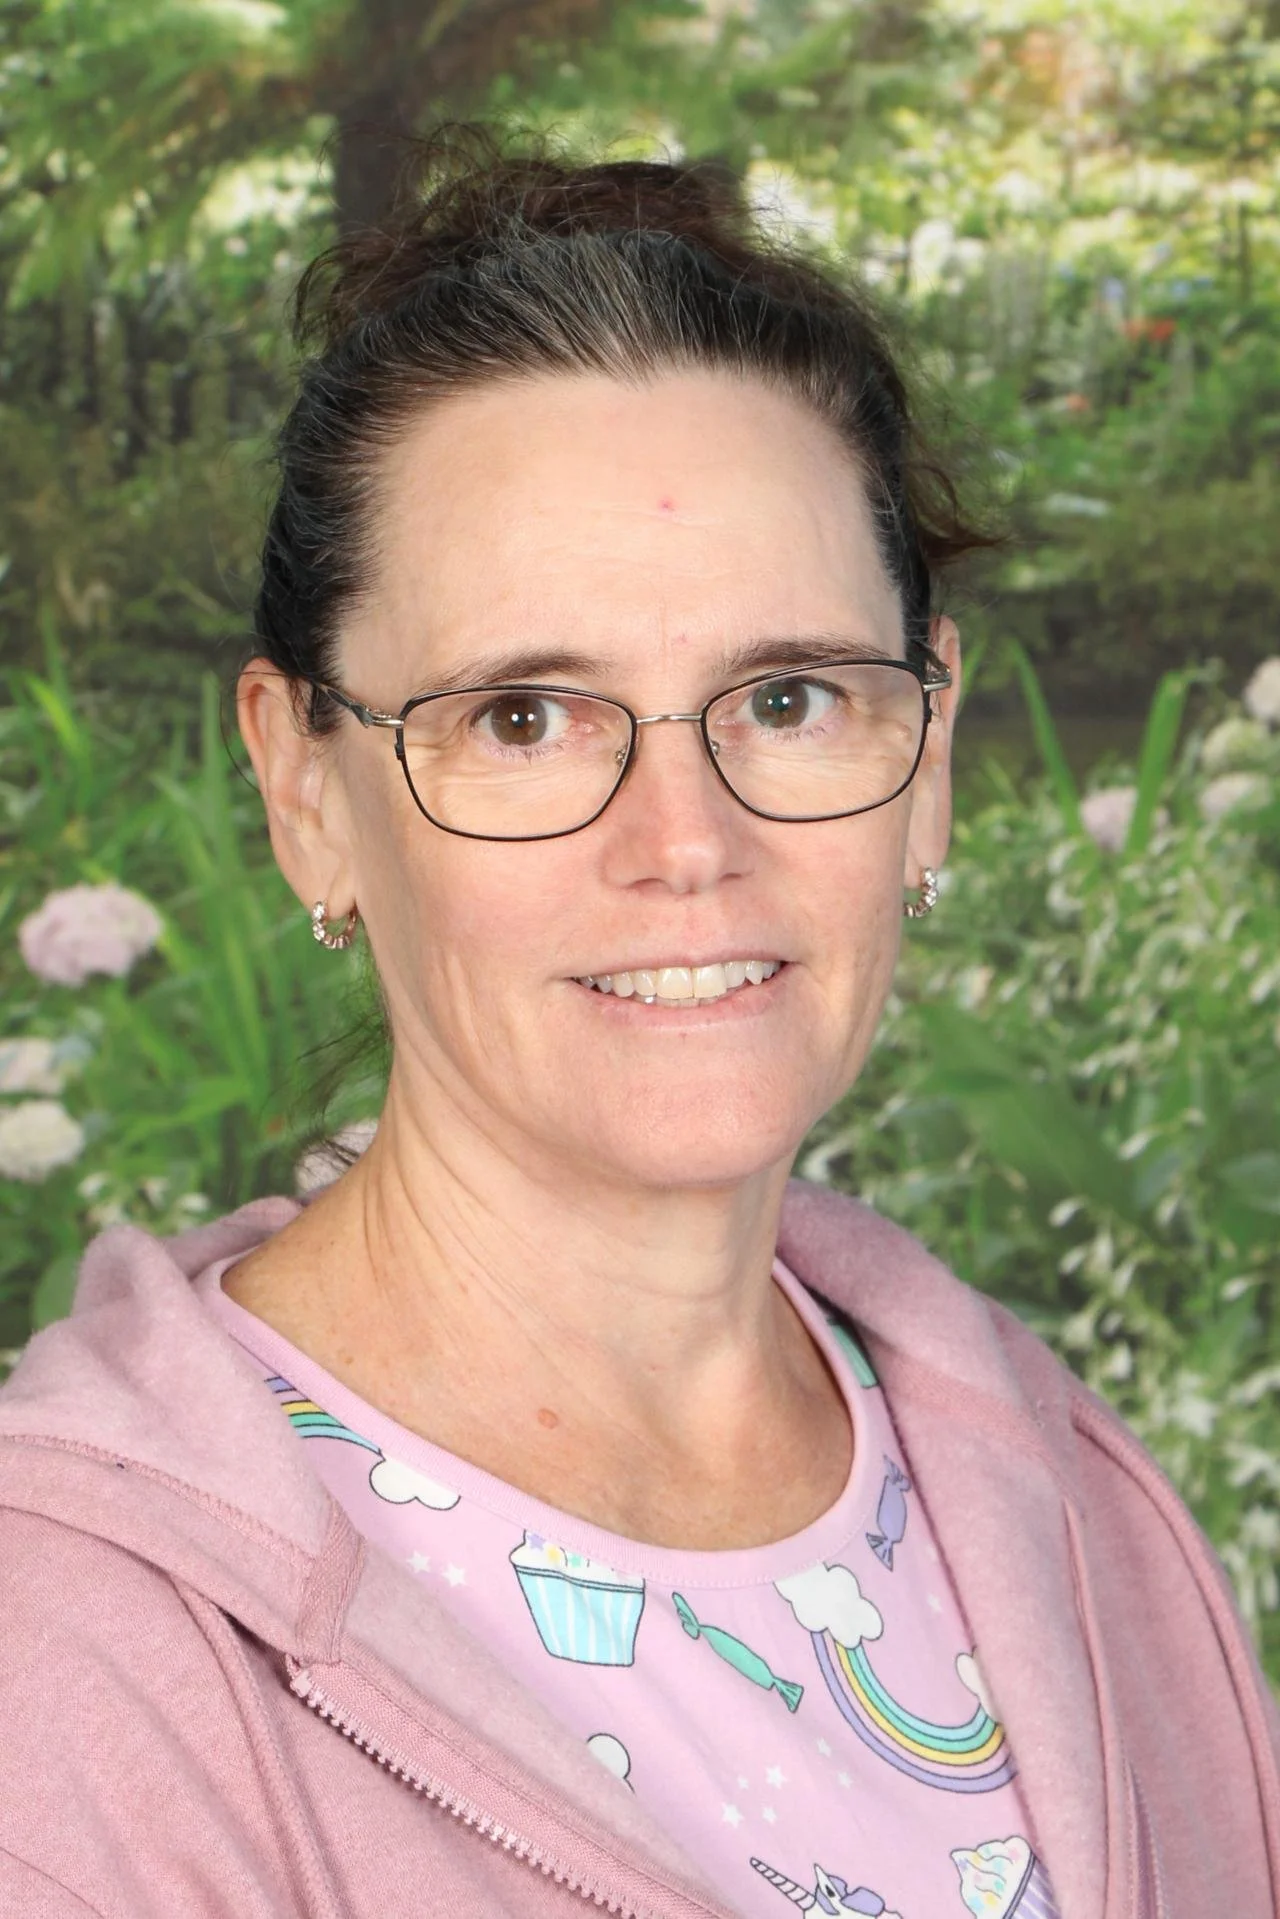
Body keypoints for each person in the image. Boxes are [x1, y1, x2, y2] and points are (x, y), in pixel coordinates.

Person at [1, 130, 1276, 1919]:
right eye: (523, 718)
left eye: (788, 695)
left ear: (927, 760)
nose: (688, 845)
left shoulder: (1085, 1522)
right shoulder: (67, 1677)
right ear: (304, 788)